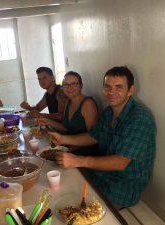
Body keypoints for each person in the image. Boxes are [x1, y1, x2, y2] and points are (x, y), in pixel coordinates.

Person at [50, 66, 156, 208]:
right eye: (107, 87)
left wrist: (78, 160)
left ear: (130, 90)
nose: (111, 92)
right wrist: (64, 139)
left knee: (72, 205)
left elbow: (120, 162)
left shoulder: (140, 119)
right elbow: (94, 136)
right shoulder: (108, 112)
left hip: (122, 185)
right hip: (101, 173)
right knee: (61, 185)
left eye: (119, 87)